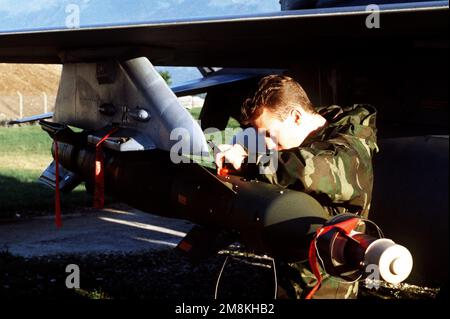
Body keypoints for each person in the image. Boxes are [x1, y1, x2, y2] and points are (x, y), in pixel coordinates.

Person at [215, 75, 378, 299]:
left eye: (270, 135)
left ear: (297, 116)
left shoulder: (349, 148)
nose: (269, 145)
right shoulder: (305, 137)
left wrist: (247, 164)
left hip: (327, 287)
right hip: (294, 274)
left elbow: (310, 168)